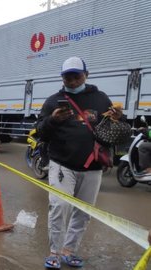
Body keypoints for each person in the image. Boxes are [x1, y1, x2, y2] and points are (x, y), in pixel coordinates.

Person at [36, 57, 123, 269]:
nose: (73, 80)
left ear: (87, 74)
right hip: (62, 164)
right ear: (62, 77)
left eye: (77, 76)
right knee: (59, 207)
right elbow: (40, 131)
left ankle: (69, 250)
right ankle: (54, 252)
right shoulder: (53, 101)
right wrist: (53, 119)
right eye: (68, 77)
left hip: (92, 166)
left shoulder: (101, 98)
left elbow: (111, 130)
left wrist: (118, 118)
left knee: (83, 212)